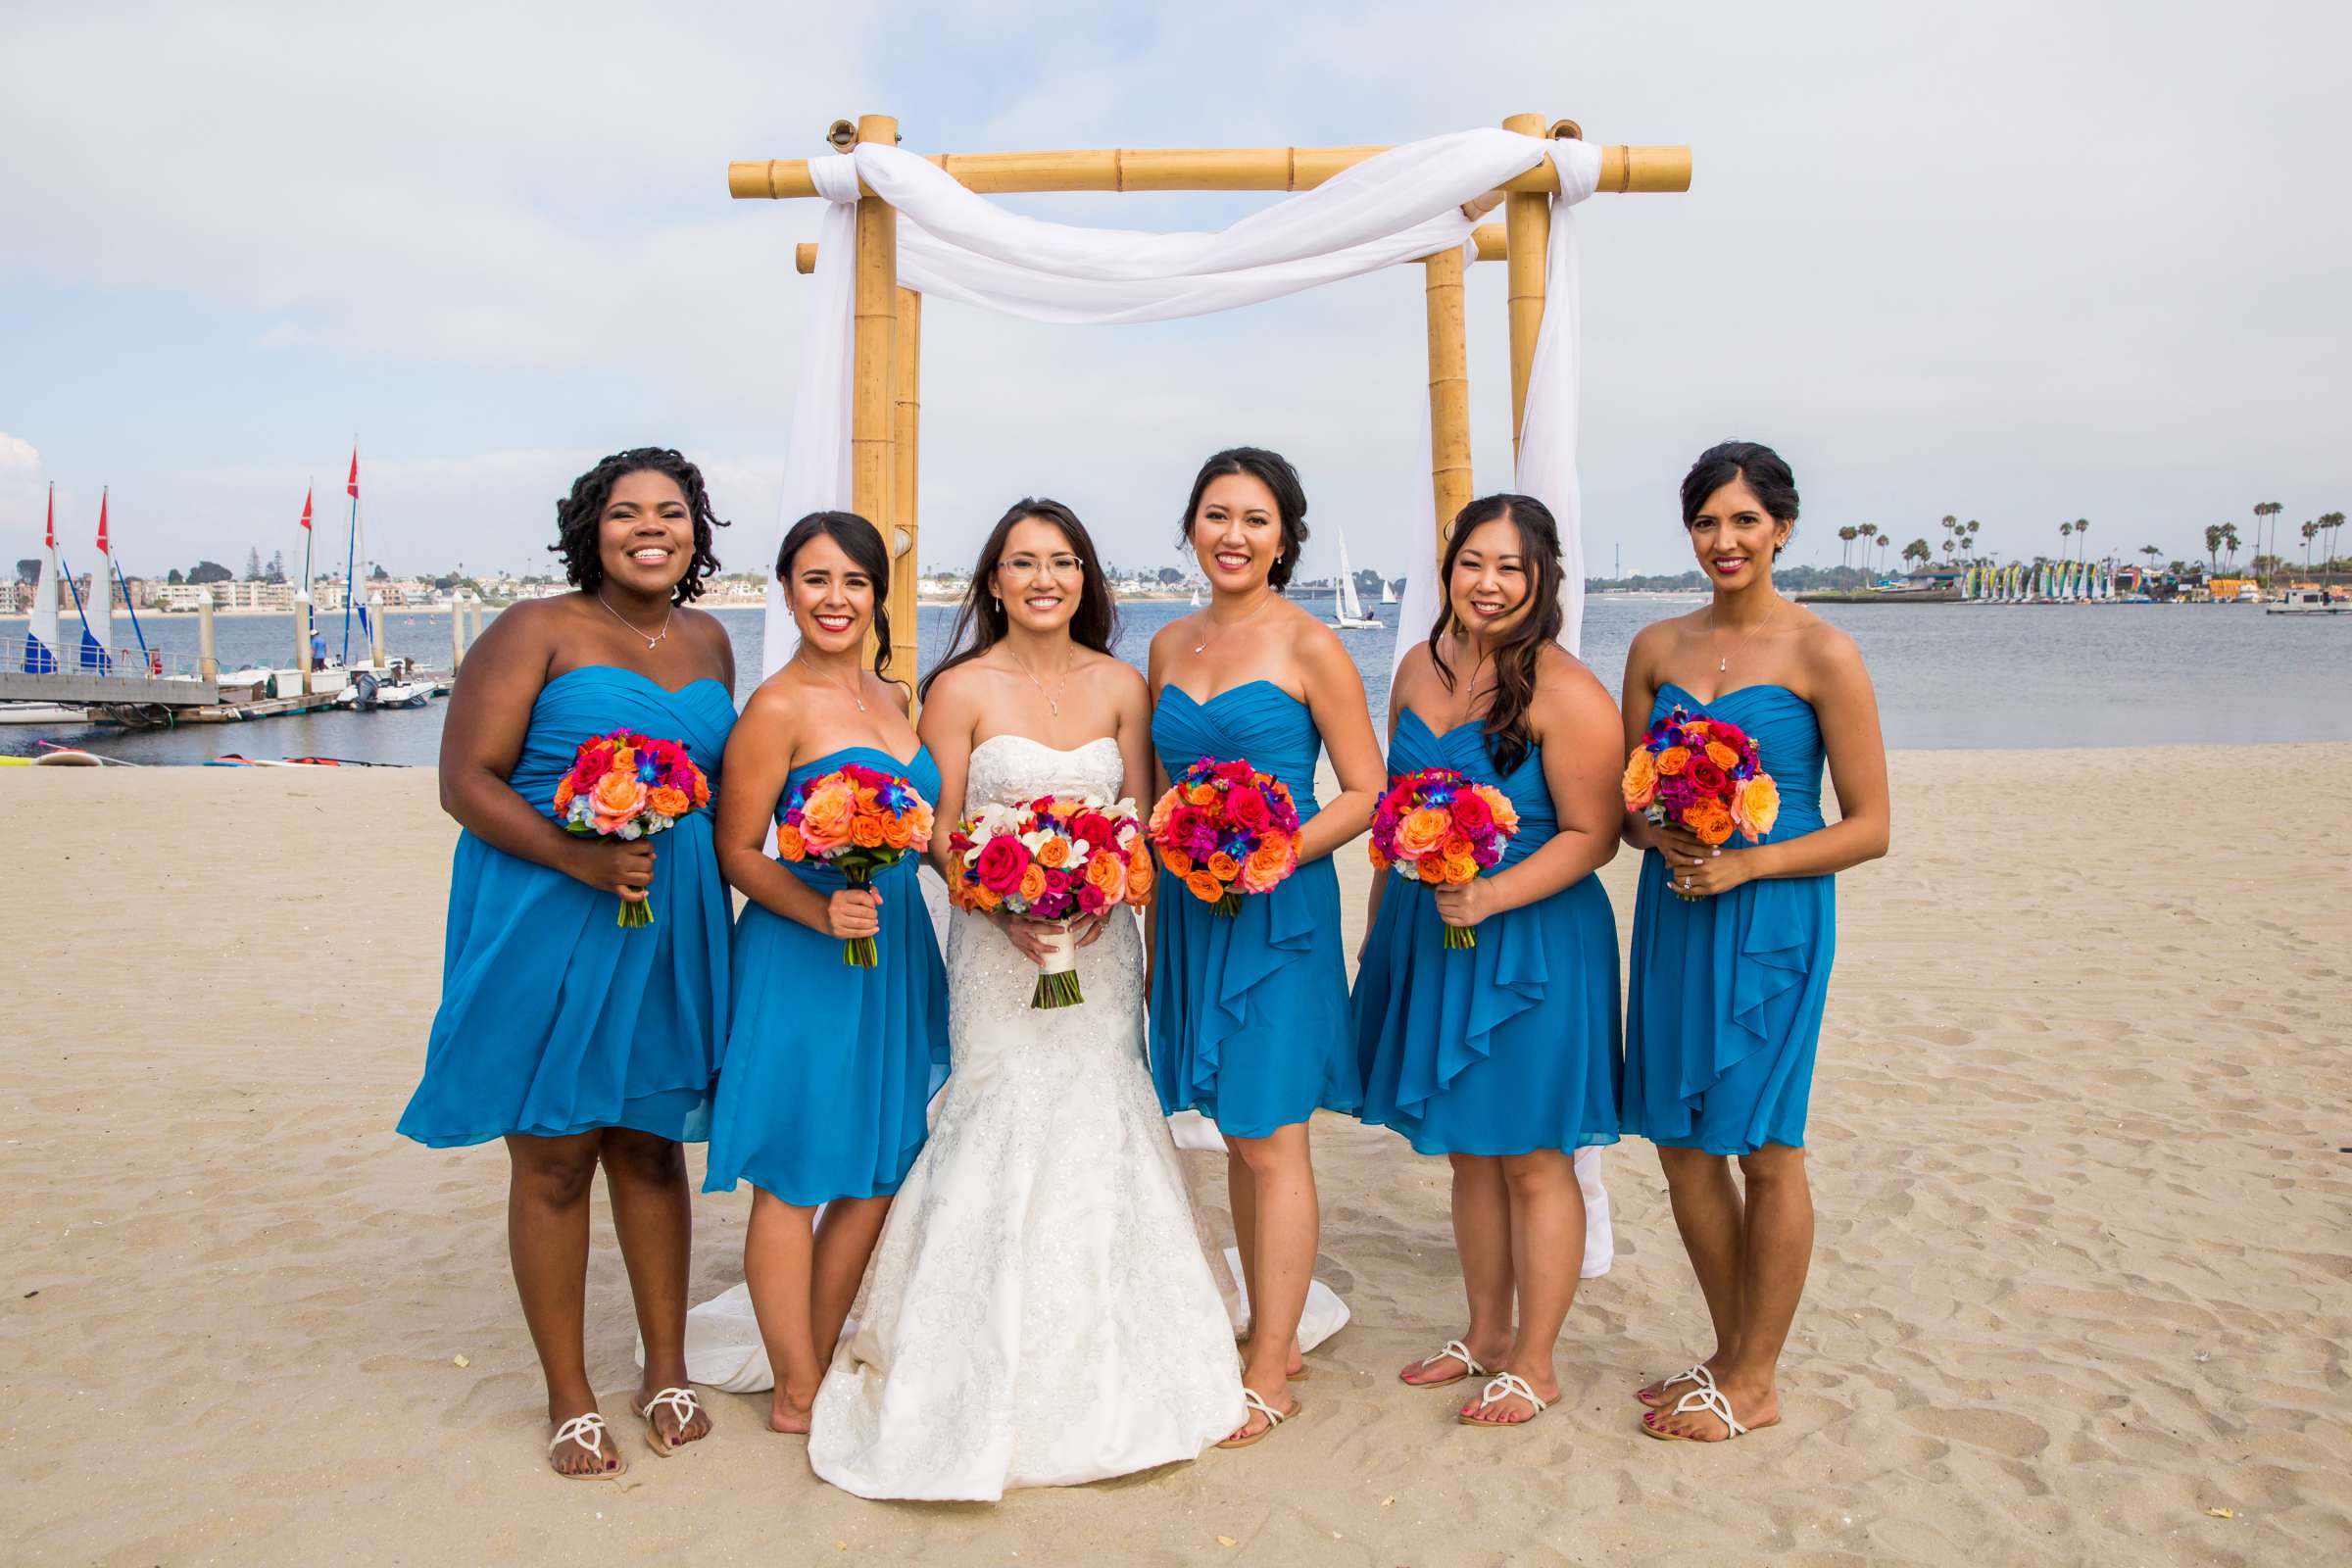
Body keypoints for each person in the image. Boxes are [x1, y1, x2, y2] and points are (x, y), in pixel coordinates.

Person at [808, 499, 1244, 1498]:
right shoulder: (958, 688)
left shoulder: (1124, 686)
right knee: (995, 1110)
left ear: (1084, 578)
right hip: (994, 948)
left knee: (1103, 1108)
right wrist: (1000, 899)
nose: (1042, 579)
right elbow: (935, 824)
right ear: (993, 580)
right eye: (1021, 563)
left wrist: (1109, 889)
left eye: (1061, 562)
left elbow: (1141, 823)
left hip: (1101, 950)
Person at [396, 448, 736, 1479]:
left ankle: (664, 1369)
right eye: (626, 511)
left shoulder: (713, 642)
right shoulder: (533, 629)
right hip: (550, 911)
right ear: (590, 527)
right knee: (553, 1155)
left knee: (649, 1146)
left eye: (669, 512)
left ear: (695, 532)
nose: (650, 527)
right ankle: (570, 1395)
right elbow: (465, 780)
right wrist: (581, 858)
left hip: (670, 918)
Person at [1619, 441, 1890, 1442]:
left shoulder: (1824, 652)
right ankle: (1729, 1351)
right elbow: (1627, 803)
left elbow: (1869, 824)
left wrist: (1749, 861)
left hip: (1774, 918)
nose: (1724, 541)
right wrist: (1668, 831)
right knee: (1683, 1144)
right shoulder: (1655, 647)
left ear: (1781, 527)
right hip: (1676, 910)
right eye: (1706, 522)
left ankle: (1757, 1380)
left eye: (1743, 521)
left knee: (1769, 1147)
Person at [1352, 494, 1623, 1427]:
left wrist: (1495, 894)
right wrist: (1384, 922)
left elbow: (1596, 835)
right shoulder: (1416, 677)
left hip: (1534, 941)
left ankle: (1537, 1362)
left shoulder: (1568, 689)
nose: (1489, 583)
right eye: (1474, 562)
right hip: (1431, 933)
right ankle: (1485, 1333)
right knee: (1471, 1155)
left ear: (1543, 577)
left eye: (1510, 566)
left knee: (1535, 1160)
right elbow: (1393, 821)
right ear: (1449, 569)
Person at [1147, 447, 1383, 1447]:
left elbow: (1369, 792)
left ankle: (1271, 1365)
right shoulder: (1166, 645)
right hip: (1193, 915)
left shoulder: (1310, 645)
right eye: (1216, 514)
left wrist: (1275, 853)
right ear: (1191, 527)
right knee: (1237, 1129)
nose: (1233, 534)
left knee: (1274, 1134)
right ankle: (1265, 1329)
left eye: (1255, 518)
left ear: (1285, 537)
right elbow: (1154, 794)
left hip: (1280, 913)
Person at [702, 511, 948, 1441]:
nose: (834, 599)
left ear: (876, 595)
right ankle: (796, 1389)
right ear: (788, 591)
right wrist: (816, 909)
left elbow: (919, 831)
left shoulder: (894, 699)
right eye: (814, 581)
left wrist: (990, 883)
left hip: (888, 952)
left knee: (881, 1166)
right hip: (804, 953)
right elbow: (735, 848)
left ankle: (813, 1344)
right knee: (794, 1173)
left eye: (852, 581)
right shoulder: (777, 707)